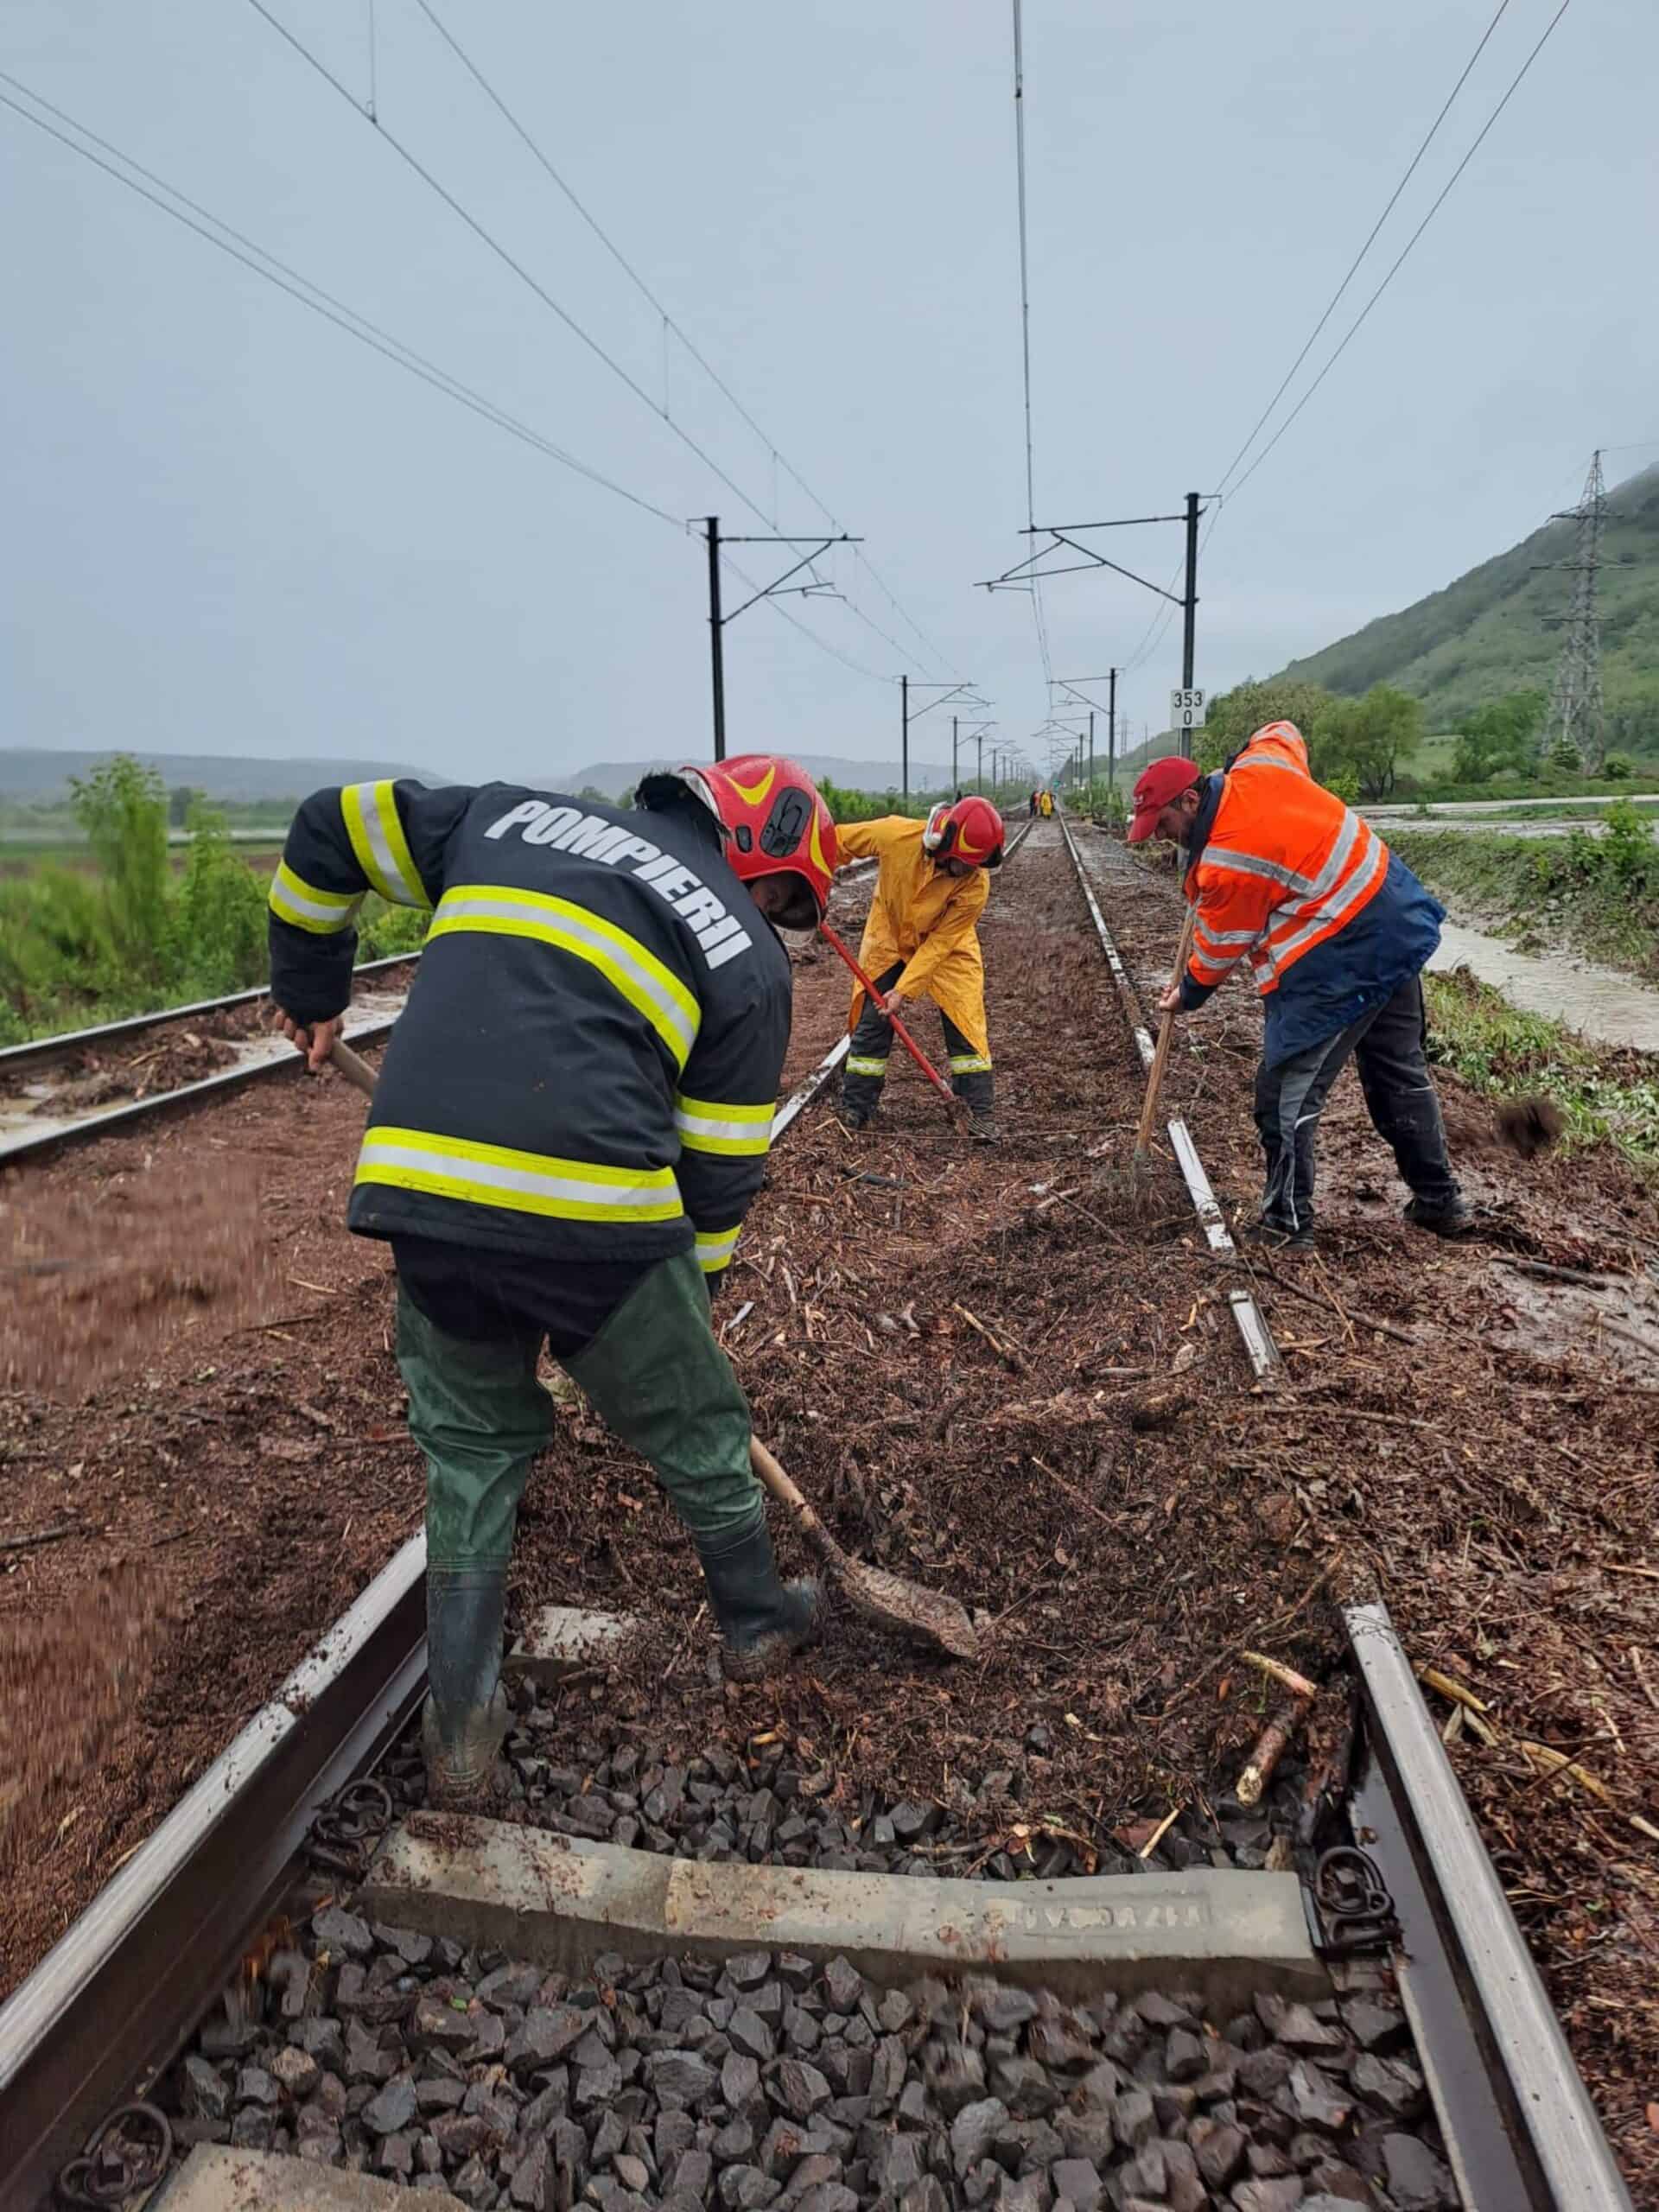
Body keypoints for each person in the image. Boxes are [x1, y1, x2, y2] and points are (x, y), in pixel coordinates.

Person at [268, 757, 839, 1802]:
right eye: (786, 899)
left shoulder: (499, 814)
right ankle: (758, 1620)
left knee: (471, 1448)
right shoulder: (746, 957)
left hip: (422, 1191)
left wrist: (310, 990)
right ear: (760, 860)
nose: (779, 917)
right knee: (700, 1427)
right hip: (590, 1213)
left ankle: (461, 1733)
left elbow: (327, 828)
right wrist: (675, 1335)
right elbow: (714, 1181)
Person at [1129, 721, 1471, 1248]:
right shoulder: (1261, 764)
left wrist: (1188, 993)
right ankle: (1441, 1202)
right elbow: (1282, 730)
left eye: (1164, 821)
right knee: (1398, 1074)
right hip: (1396, 923)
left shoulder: (1226, 862)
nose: (1160, 834)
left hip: (1344, 956)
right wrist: (1242, 748)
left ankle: (1287, 1226)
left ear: (1193, 799)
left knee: (1283, 1095)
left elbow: (1222, 945)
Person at [834, 796, 1004, 1142]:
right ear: (940, 844)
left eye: (975, 866)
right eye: (961, 864)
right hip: (890, 935)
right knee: (872, 1020)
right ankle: (857, 1107)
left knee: (965, 1022)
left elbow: (941, 943)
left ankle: (978, 1114)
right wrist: (812, 881)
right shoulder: (895, 836)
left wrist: (904, 990)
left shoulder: (975, 885)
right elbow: (837, 841)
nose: (966, 873)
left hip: (948, 948)